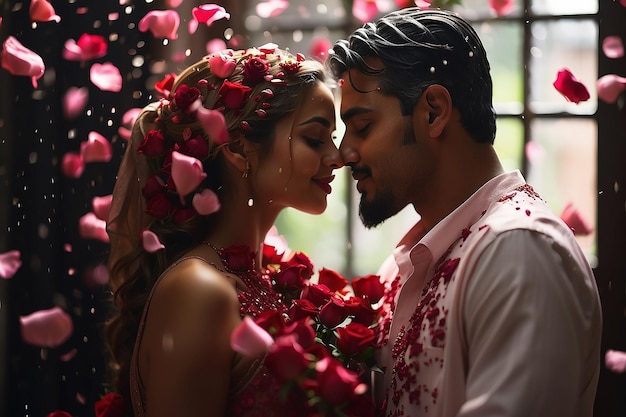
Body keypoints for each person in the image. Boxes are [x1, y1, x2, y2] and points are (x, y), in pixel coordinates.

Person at [328, 7, 602, 417]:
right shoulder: (409, 261)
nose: (343, 153)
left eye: (363, 127)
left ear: (434, 111)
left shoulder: (519, 251)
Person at [105, 45, 342, 417]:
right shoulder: (199, 290)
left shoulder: (257, 277)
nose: (337, 157)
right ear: (237, 147)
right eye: (315, 138)